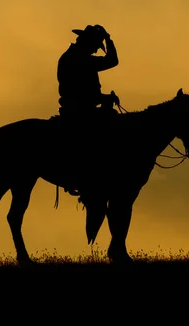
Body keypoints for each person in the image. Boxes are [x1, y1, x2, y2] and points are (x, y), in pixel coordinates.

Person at [56, 24, 120, 200]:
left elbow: (86, 92)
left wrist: (103, 98)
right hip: (78, 111)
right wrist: (109, 40)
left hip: (76, 108)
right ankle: (85, 178)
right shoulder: (80, 59)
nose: (95, 50)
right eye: (96, 45)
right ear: (88, 42)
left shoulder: (75, 57)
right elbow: (112, 61)